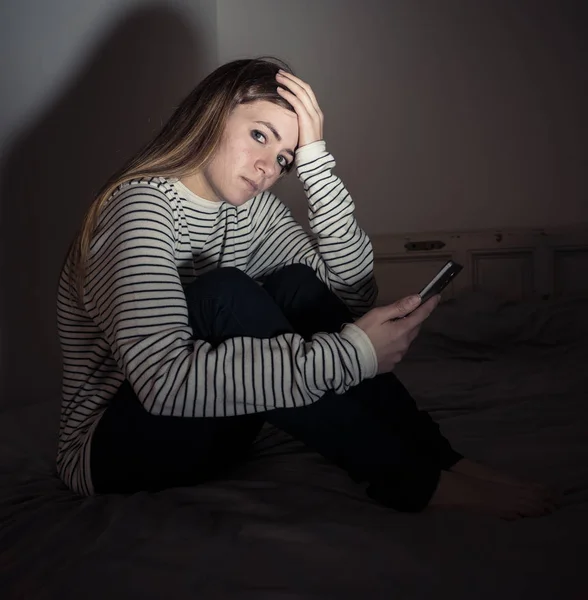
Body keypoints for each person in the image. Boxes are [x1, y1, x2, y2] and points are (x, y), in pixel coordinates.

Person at [57, 57, 558, 519]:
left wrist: (316, 164)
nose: (268, 168)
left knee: (295, 284)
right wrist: (349, 355)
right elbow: (164, 383)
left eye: (284, 160)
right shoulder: (139, 209)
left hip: (224, 429)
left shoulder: (253, 209)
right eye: (259, 135)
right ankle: (408, 480)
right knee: (225, 292)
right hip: (118, 451)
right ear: (211, 114)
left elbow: (350, 298)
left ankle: (435, 455)